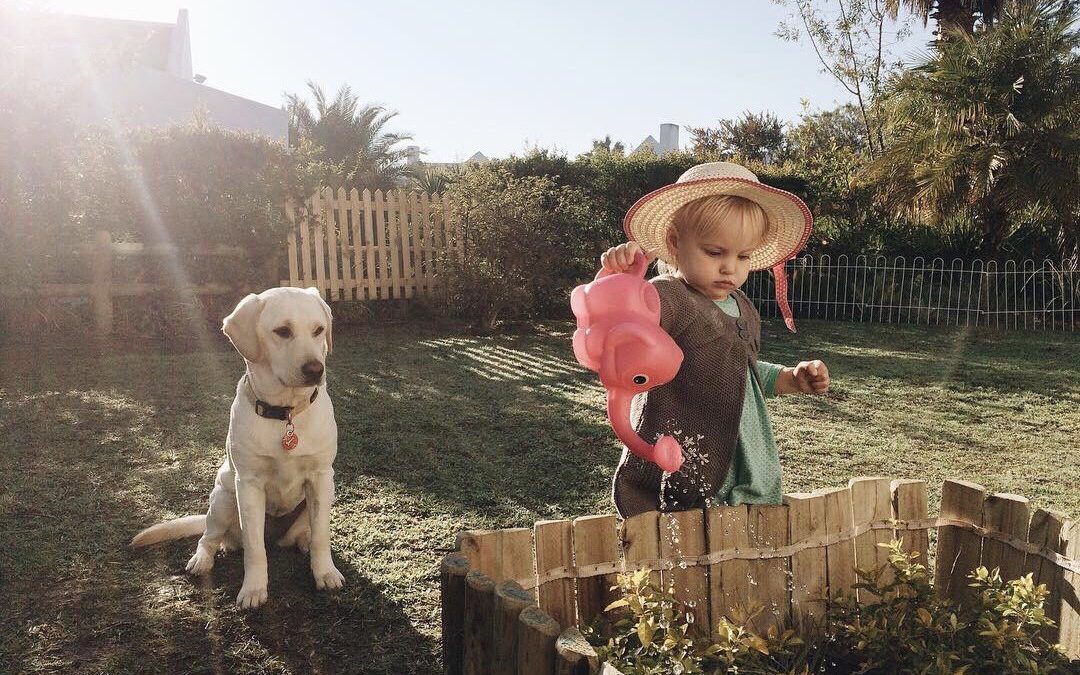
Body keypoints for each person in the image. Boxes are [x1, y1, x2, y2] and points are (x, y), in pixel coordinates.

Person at [602, 162, 830, 518]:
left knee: (736, 555)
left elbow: (741, 366)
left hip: (744, 459)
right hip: (688, 458)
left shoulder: (742, 306)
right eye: (715, 252)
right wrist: (619, 283)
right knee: (681, 547)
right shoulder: (669, 296)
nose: (730, 268)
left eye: (744, 256)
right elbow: (621, 328)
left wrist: (789, 377)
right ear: (676, 243)